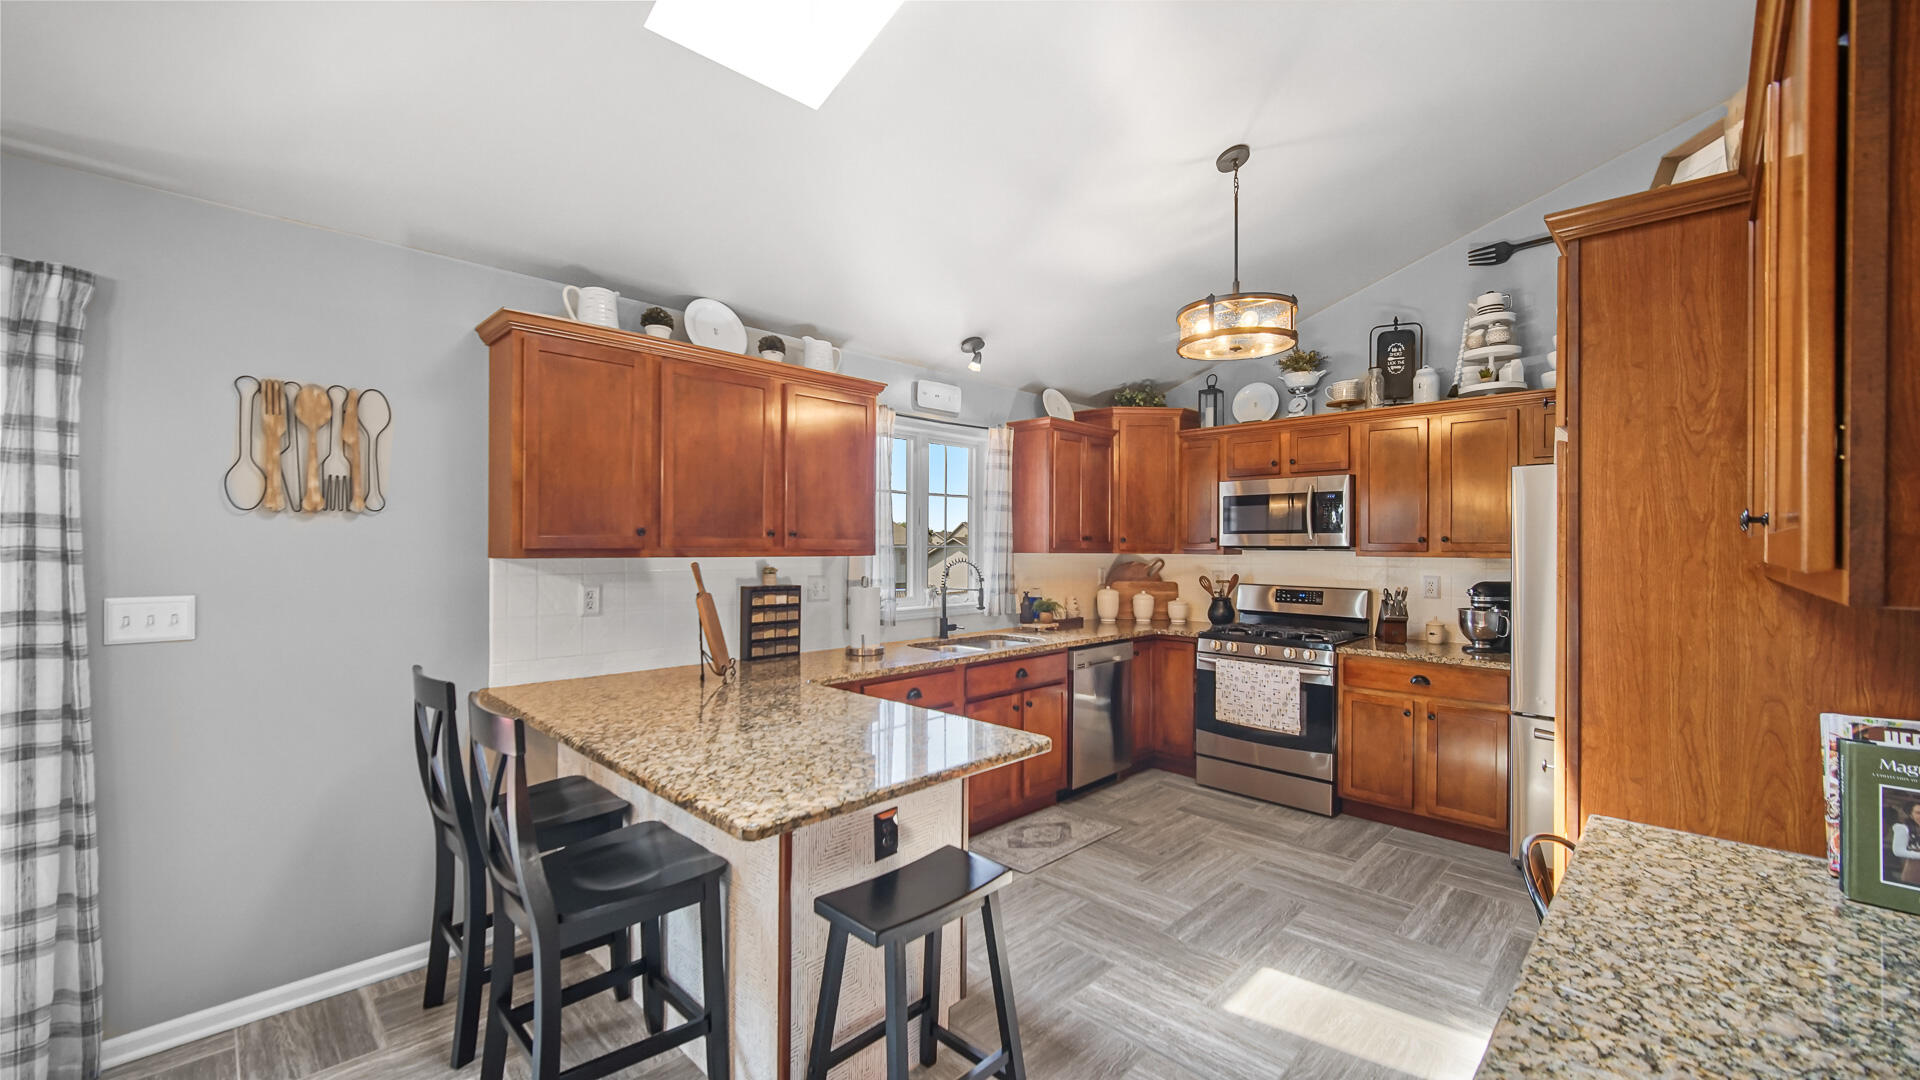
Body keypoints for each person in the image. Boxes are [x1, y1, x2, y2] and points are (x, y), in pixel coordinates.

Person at [1890, 796, 1920, 887]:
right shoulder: (1903, 828)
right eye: (1918, 813)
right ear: (1911, 815)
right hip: (1914, 873)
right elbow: (1898, 851)